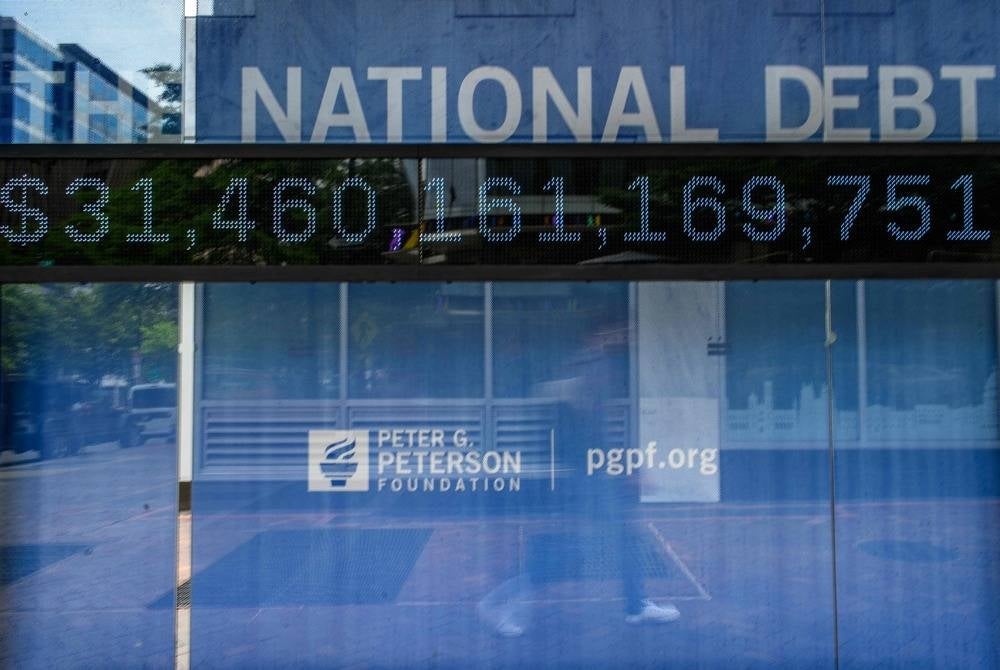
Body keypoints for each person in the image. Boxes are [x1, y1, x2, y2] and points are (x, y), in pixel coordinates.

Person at [478, 317, 678, 637]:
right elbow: (583, 432)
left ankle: (636, 606)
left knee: (624, 537)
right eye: (621, 330)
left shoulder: (592, 366)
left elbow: (590, 429)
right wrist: (618, 467)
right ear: (597, 334)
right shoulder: (586, 369)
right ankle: (499, 600)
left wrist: (619, 466)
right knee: (572, 551)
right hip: (585, 479)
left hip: (592, 476)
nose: (626, 336)